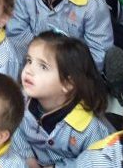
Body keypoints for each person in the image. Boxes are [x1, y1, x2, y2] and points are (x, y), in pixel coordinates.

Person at [11, 32, 113, 167]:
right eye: (29, 61)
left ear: (67, 84)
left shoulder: (89, 129)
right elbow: (16, 129)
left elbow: (96, 162)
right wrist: (28, 158)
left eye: (43, 66)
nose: (29, 70)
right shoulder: (21, 99)